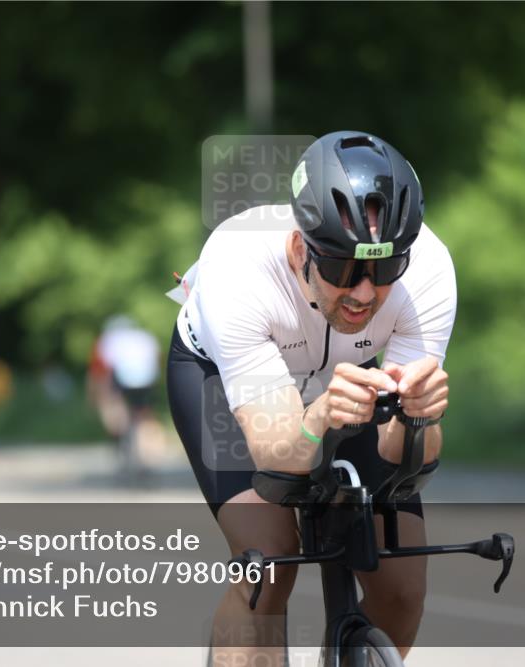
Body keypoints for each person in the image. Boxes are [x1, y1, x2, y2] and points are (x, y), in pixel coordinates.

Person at [166, 131, 455, 665]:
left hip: (349, 378)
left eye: (385, 268)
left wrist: (420, 419)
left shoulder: (430, 271)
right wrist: (317, 417)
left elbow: (408, 462)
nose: (365, 292)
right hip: (218, 374)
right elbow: (278, 453)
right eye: (344, 268)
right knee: (268, 564)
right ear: (301, 248)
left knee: (403, 585)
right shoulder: (237, 265)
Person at [87, 315, 162, 475]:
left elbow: (100, 373)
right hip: (146, 380)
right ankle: (147, 457)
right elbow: (156, 361)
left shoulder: (107, 339)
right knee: (144, 416)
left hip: (121, 379)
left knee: (113, 407)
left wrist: (98, 398)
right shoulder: (144, 336)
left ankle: (118, 434)